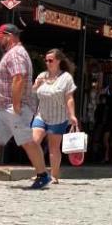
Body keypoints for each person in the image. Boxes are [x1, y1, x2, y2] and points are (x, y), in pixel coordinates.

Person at [0, 24, 50, 189]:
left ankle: (42, 175)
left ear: (9, 36)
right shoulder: (13, 53)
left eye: (0, 37)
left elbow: (18, 78)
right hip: (2, 107)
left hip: (12, 107)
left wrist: (16, 104)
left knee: (27, 141)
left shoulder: (15, 54)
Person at [31, 48, 78, 184]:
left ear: (58, 61)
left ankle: (54, 176)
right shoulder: (42, 75)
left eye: (50, 60)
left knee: (53, 147)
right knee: (33, 142)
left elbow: (69, 98)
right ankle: (40, 173)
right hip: (41, 115)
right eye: (45, 60)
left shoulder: (66, 78)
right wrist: (35, 86)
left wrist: (72, 115)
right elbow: (33, 92)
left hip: (58, 116)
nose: (47, 62)